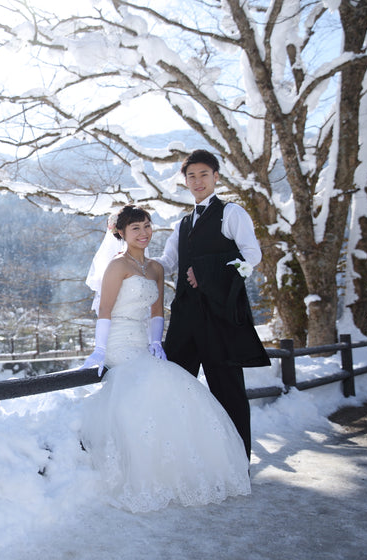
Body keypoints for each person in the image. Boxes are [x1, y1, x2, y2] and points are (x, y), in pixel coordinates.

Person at [81, 204, 250, 513]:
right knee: (151, 385)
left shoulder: (156, 268)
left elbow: (157, 311)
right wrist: (100, 349)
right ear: (121, 233)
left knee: (177, 385)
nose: (144, 233)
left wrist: (156, 343)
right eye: (136, 228)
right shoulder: (117, 266)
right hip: (119, 341)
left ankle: (178, 470)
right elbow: (105, 311)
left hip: (143, 343)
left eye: (147, 226)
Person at [154, 149, 270, 460]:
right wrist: (133, 263)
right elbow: (167, 262)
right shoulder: (182, 225)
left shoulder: (232, 213)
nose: (197, 180)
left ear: (216, 177)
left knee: (228, 392)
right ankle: (177, 459)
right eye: (191, 176)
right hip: (185, 320)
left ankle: (237, 463)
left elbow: (252, 257)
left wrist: (210, 273)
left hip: (221, 318)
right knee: (174, 387)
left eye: (204, 174)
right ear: (186, 182)